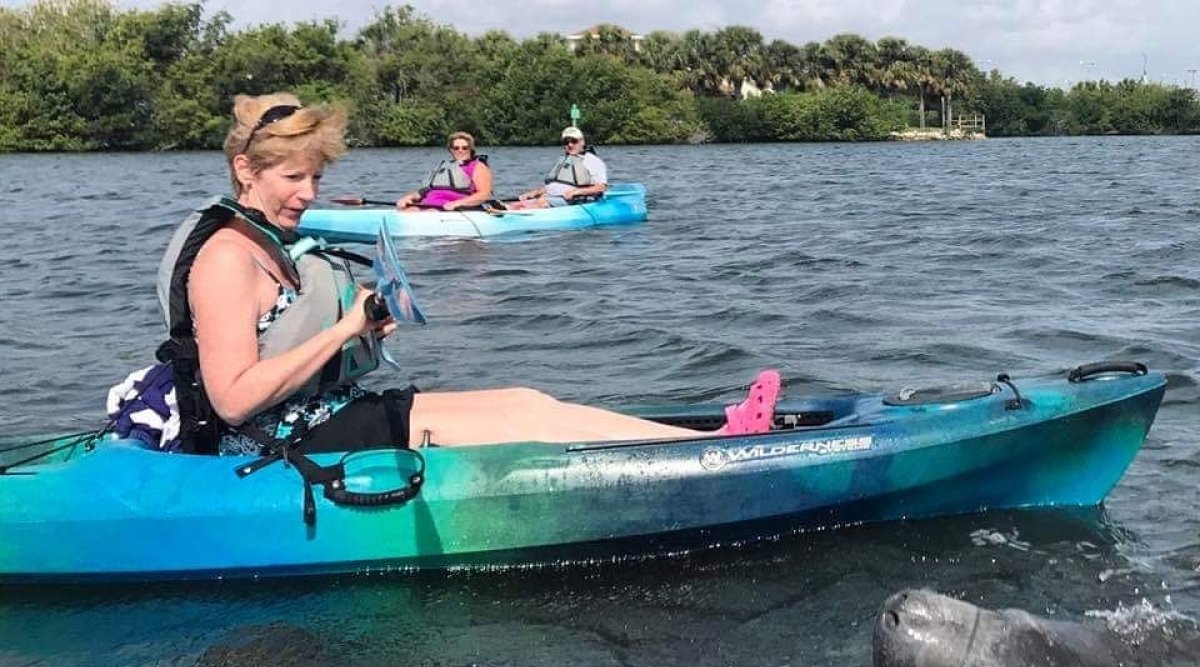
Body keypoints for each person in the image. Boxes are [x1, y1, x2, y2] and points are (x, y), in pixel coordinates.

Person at [148, 92, 779, 460]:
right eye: (294, 178)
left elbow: (289, 346)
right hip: (275, 442)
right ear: (244, 170)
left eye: (316, 177)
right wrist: (345, 328)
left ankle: (708, 437)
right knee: (518, 424)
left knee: (526, 401)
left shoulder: (266, 239)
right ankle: (715, 450)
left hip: (321, 413)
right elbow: (232, 399)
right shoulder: (227, 256)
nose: (309, 193)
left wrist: (368, 329)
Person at [510, 126, 607, 208]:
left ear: (582, 142)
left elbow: (600, 187)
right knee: (517, 204)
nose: (570, 145)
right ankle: (506, 210)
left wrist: (576, 192)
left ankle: (514, 219)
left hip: (576, 200)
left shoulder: (592, 160)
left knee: (541, 202)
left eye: (574, 141)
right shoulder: (566, 160)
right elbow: (556, 185)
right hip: (551, 197)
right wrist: (535, 193)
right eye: (566, 142)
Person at [395, 132, 494, 212]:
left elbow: (484, 194)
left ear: (471, 149)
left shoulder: (478, 166)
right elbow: (425, 190)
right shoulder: (443, 166)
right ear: (451, 150)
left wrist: (457, 203)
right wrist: (409, 197)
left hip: (452, 209)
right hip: (427, 204)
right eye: (456, 148)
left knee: (429, 213)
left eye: (464, 148)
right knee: (405, 211)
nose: (460, 150)